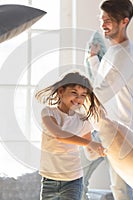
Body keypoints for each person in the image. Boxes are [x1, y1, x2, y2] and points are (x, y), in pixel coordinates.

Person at [83, 0, 133, 200]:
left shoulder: (127, 54)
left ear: (124, 22)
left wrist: (72, 103)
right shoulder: (113, 51)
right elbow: (100, 81)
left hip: (120, 132)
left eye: (108, 20)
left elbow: (103, 91)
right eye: (102, 19)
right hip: (103, 128)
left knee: (120, 189)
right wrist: (93, 58)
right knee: (79, 176)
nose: (103, 25)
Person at [35, 72, 106, 200]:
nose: (78, 99)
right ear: (61, 91)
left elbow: (90, 153)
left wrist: (102, 150)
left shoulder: (83, 121)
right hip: (49, 180)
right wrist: (91, 144)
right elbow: (58, 134)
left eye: (83, 95)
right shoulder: (48, 112)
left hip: (73, 181)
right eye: (74, 93)